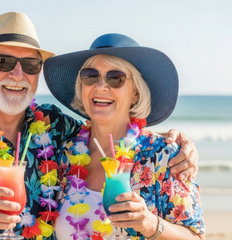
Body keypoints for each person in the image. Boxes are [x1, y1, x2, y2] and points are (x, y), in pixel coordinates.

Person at [0, 12, 198, 240]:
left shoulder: (55, 129)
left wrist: (175, 144)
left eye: (29, 65)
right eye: (3, 62)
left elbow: (110, 128)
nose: (17, 74)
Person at [43, 33, 205, 239]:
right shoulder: (65, 154)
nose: (101, 86)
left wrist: (150, 223)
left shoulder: (163, 155)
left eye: (115, 78)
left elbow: (196, 237)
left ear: (135, 93)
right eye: (90, 76)